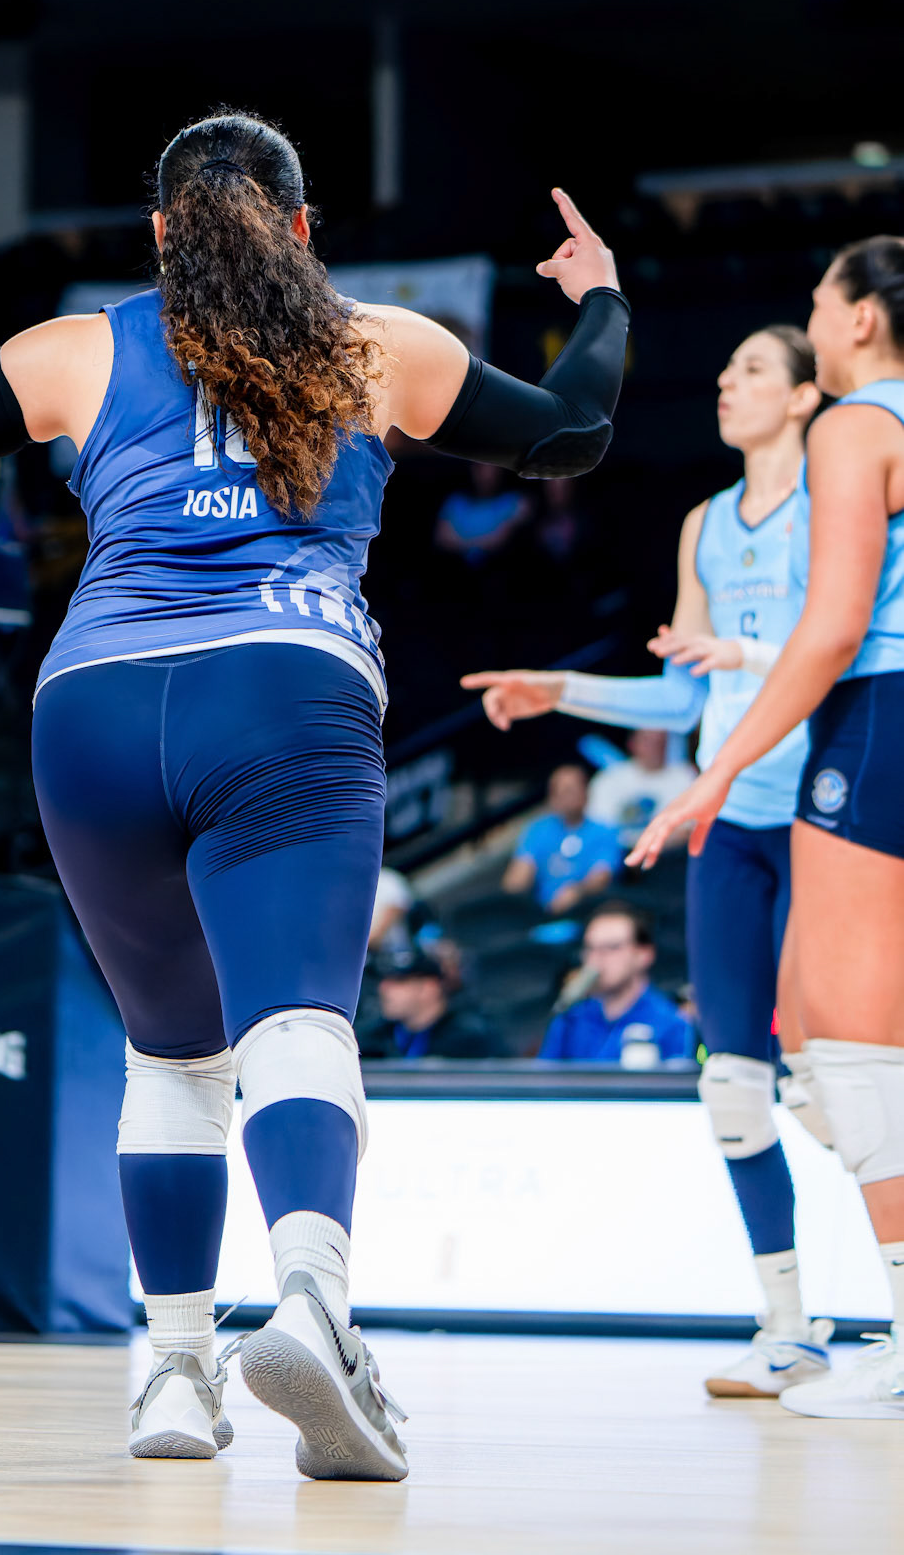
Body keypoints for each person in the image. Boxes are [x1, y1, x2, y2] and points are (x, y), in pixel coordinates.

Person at [0, 111, 629, 1478]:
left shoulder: (81, 349)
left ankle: (174, 1370)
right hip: (283, 689)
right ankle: (312, 1306)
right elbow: (572, 430)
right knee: (296, 1021)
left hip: (92, 710)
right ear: (301, 226)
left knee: (171, 1055)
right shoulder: (376, 345)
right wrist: (603, 302)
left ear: (161, 233)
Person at [463, 326, 837, 1394]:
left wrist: (750, 653)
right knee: (734, 1089)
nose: (724, 380)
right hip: (730, 828)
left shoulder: (836, 507)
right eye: (723, 367)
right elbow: (684, 697)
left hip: (823, 817)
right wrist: (560, 689)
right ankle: (788, 1329)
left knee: (833, 1089)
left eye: (751, 368)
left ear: (804, 396)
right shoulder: (704, 525)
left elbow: (845, 649)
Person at [631, 240, 904, 1419]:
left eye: (819, 301)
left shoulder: (854, 425)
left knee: (847, 1051)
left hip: (863, 731)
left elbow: (834, 629)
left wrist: (720, 768)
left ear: (859, 320)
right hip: (838, 752)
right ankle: (796, 1326)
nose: (812, 317)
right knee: (798, 1066)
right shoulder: (710, 519)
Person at [537, 903, 693, 1063]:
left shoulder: (672, 1025)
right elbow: (543, 1077)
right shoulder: (570, 1020)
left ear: (644, 954)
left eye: (612, 947)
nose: (597, 958)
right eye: (590, 948)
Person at [502, 763, 621, 914]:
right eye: (558, 791)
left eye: (570, 790)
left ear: (585, 793)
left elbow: (602, 876)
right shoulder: (538, 830)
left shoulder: (604, 831)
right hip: (543, 911)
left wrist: (577, 892)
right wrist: (515, 889)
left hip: (590, 910)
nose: (565, 797)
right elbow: (518, 876)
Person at [358, 949, 503, 1061]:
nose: (383, 989)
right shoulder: (374, 1037)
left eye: (398, 982)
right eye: (383, 981)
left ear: (429, 988)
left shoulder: (470, 1039)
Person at [583, 728, 695, 849]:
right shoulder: (610, 777)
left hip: (668, 852)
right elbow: (597, 826)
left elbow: (687, 830)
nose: (654, 747)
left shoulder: (685, 776)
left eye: (660, 742)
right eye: (648, 741)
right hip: (617, 852)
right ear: (632, 744)